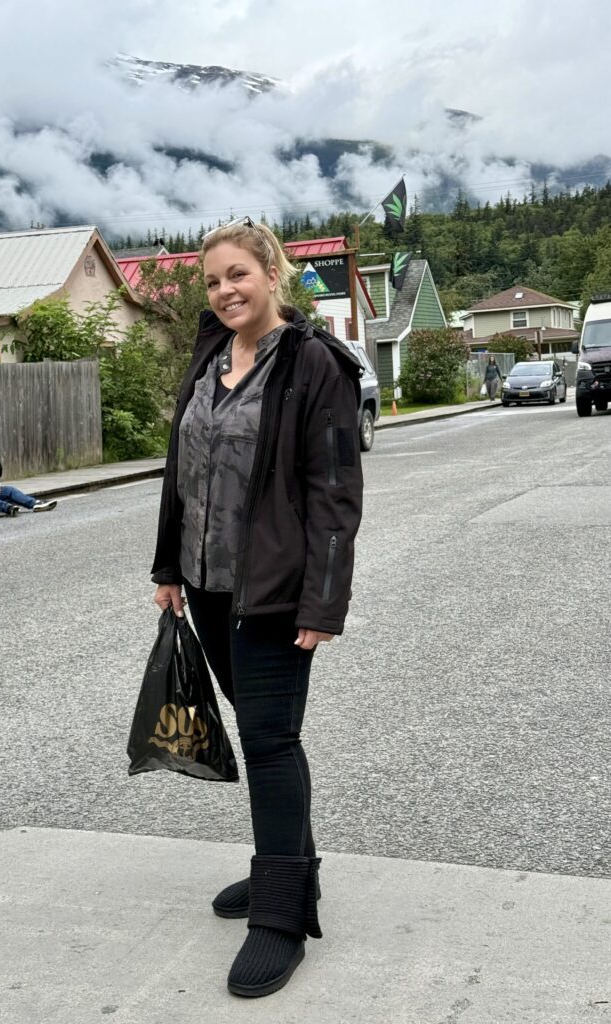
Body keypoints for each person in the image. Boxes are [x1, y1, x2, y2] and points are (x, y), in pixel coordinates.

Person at [151, 217, 363, 998]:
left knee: (271, 743)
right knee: (257, 728)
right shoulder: (211, 354)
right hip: (208, 588)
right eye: (212, 281)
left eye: (238, 274)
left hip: (274, 593)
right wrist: (169, 564)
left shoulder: (315, 366)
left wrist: (324, 602)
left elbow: (335, 496)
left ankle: (280, 916)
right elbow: (183, 469)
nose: (225, 291)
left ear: (272, 273)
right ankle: (290, 868)